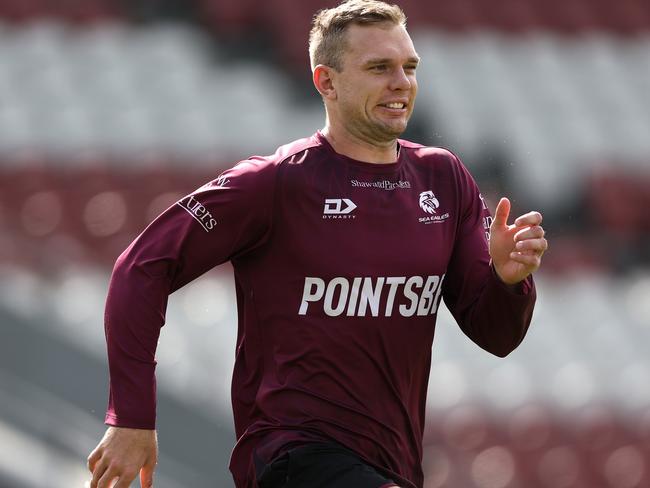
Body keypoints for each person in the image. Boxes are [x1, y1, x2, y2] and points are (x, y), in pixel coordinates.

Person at [87, 1, 548, 487]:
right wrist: (132, 415)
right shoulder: (274, 184)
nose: (401, 82)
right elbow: (140, 267)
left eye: (409, 67)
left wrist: (506, 281)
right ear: (326, 82)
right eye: (379, 68)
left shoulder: (444, 178)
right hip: (291, 454)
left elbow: (497, 336)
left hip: (394, 463)